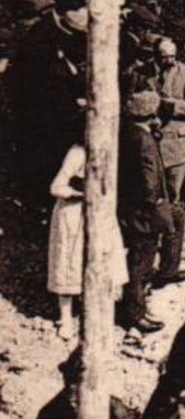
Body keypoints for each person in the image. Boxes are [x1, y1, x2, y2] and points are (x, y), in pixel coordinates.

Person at [46, 141, 128, 340]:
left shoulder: (109, 149)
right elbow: (56, 187)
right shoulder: (77, 152)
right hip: (74, 214)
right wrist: (80, 194)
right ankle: (65, 318)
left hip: (101, 213)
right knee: (68, 263)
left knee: (106, 259)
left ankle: (96, 315)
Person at [116, 90, 170, 334]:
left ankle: (134, 307)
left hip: (129, 207)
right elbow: (150, 181)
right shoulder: (145, 141)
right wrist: (154, 203)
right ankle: (134, 314)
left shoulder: (127, 133)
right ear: (151, 113)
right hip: (144, 214)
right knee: (142, 263)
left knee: (137, 260)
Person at [150, 36, 185, 209]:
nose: (169, 60)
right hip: (150, 143)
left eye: (172, 56)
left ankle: (172, 233)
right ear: (156, 55)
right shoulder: (143, 72)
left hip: (177, 145)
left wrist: (172, 104)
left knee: (173, 195)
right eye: (164, 56)